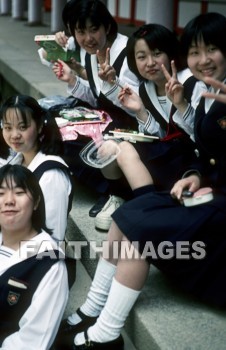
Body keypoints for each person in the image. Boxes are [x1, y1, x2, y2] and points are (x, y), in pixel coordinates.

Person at [59, 12, 226, 349]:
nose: (203, 60)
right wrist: (195, 174)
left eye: (212, 50)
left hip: (220, 208)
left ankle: (105, 334)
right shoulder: (201, 91)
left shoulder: (201, 87)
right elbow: (202, 148)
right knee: (128, 215)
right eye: (195, 52)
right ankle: (94, 309)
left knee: (140, 229)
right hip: (203, 189)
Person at [93, 23, 197, 230]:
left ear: (170, 54)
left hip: (195, 166)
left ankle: (146, 208)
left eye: (157, 54)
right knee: (110, 144)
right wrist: (141, 111)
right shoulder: (146, 88)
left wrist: (181, 104)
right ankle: (131, 200)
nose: (150, 63)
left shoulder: (191, 82)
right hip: (171, 159)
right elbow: (160, 135)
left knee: (122, 148)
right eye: (141, 57)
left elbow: (201, 134)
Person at [52, 0, 140, 220]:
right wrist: (72, 79)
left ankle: (115, 190)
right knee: (54, 130)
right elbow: (95, 96)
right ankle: (108, 184)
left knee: (79, 144)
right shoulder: (90, 52)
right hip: (107, 119)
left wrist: (113, 83)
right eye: (81, 31)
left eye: (94, 29)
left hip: (133, 126)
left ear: (107, 27)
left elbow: (139, 106)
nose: (88, 38)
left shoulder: (128, 52)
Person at [0, 164, 68, 350]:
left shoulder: (49, 265)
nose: (9, 201)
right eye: (1, 193)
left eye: (19, 192)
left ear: (36, 202)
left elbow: (33, 342)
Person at [0, 95, 73, 243]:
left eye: (22, 127)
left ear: (39, 126)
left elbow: (53, 238)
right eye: (8, 128)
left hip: (34, 261)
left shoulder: (51, 174)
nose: (14, 135)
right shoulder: (16, 162)